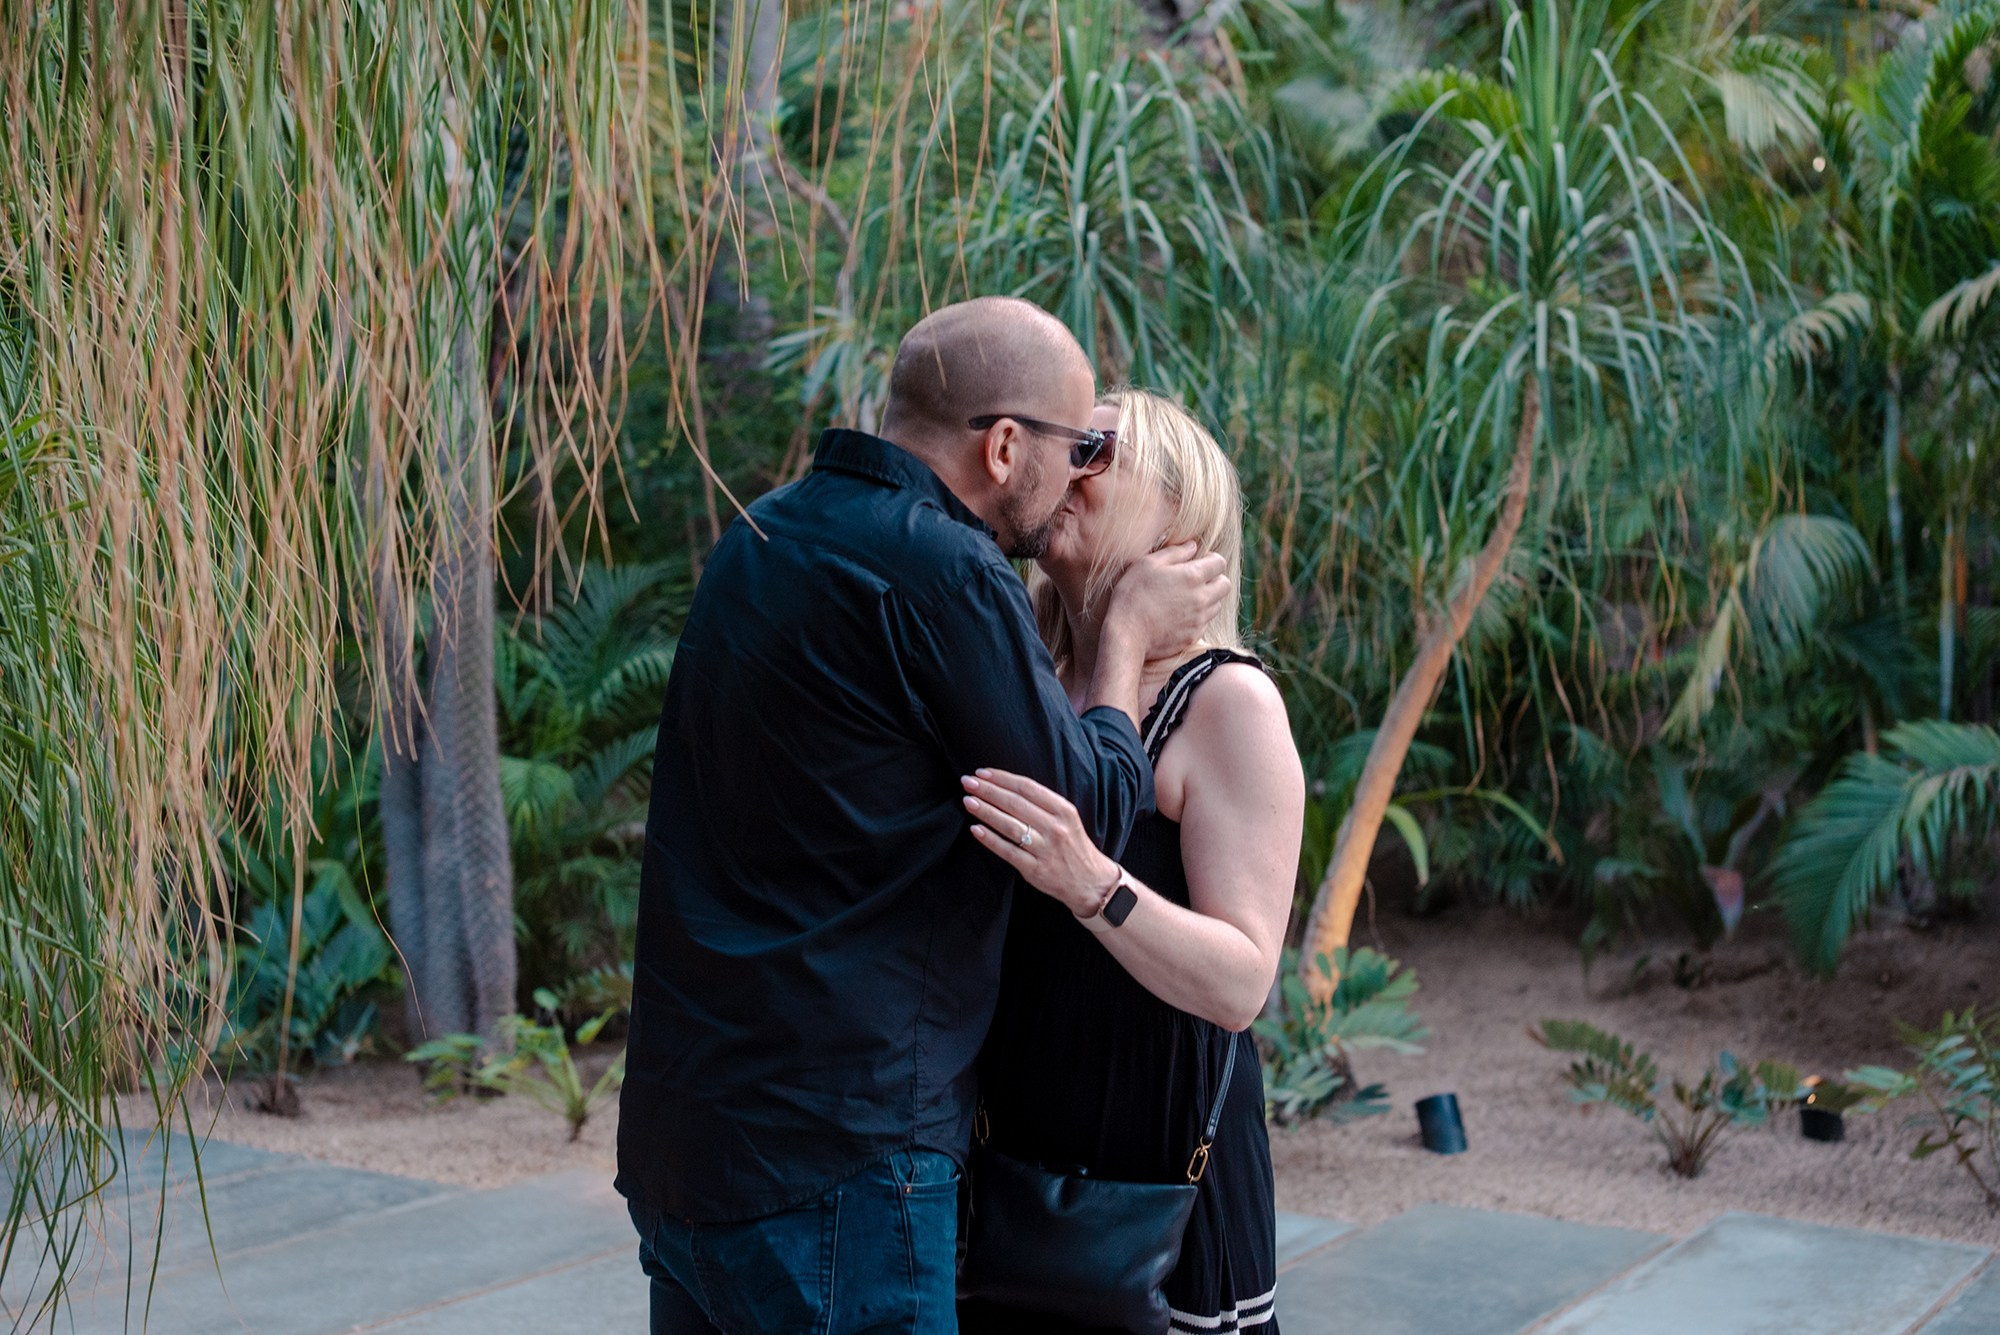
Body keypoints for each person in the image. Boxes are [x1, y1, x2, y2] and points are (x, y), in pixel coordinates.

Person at [617, 298, 1232, 1334]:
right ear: (1003, 446)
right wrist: (1123, 639)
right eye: (1077, 443)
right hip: (835, 1156)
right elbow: (1079, 813)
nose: (1082, 471)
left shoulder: (760, 535)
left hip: (687, 1137)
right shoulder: (944, 569)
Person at [956, 389, 1305, 1335]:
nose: (1068, 463)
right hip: (1012, 1150)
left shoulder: (1226, 702)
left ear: (1176, 513)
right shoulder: (1026, 664)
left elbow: (1241, 982)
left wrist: (1093, 885)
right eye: (1066, 443)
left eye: (1099, 448)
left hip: (1159, 1166)